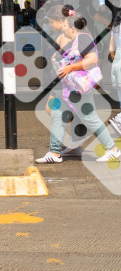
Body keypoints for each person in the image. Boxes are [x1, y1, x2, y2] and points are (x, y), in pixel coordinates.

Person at [37, 11, 121, 164]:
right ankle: (54, 153)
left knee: (91, 118)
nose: (63, 29)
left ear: (73, 28)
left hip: (78, 89)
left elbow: (92, 59)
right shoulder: (77, 39)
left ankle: (112, 150)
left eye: (66, 26)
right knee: (58, 115)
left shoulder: (83, 38)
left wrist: (70, 68)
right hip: (69, 89)